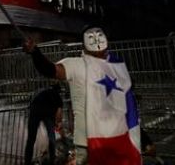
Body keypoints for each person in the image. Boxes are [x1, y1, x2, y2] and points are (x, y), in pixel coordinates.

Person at [24, 26, 140, 165]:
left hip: (114, 139)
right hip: (87, 143)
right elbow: (50, 70)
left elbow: (127, 108)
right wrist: (35, 53)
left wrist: (142, 140)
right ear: (84, 46)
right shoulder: (76, 65)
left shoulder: (114, 69)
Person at [25, 83, 63, 165]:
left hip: (34, 111)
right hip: (47, 114)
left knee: (31, 140)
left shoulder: (41, 92)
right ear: (58, 91)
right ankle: (52, 160)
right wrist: (58, 123)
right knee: (51, 137)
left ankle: (27, 162)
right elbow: (59, 112)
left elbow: (31, 103)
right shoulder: (57, 95)